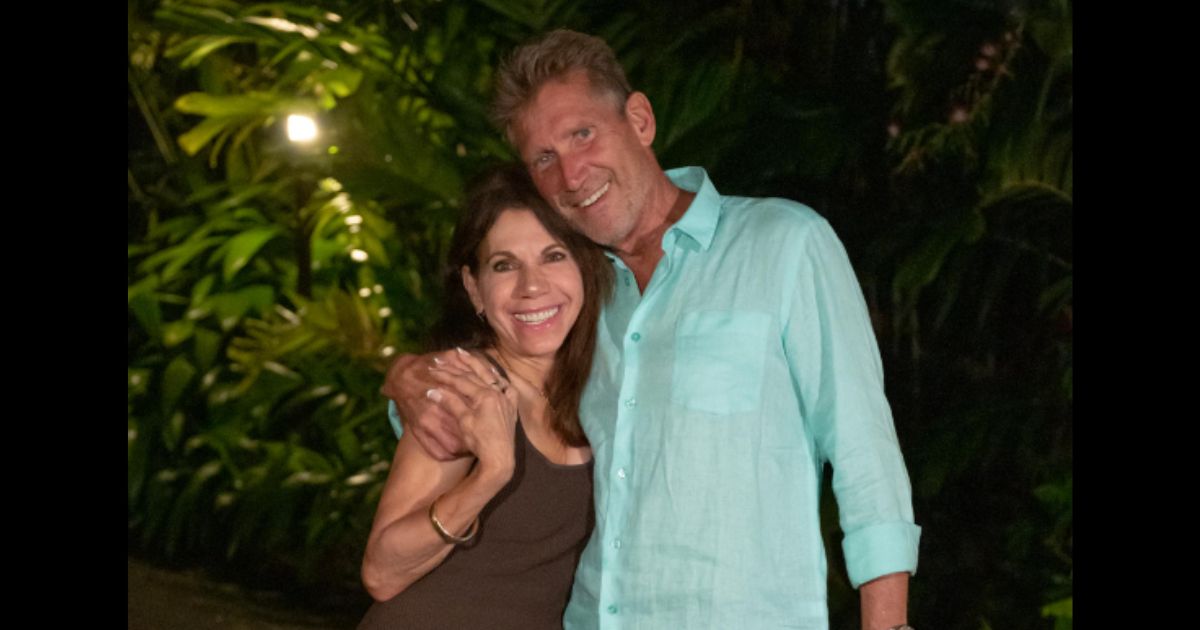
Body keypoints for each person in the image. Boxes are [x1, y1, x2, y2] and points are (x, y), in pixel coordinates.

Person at [383, 30, 921, 630]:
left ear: (639, 119)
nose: (571, 173)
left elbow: (864, 453)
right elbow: (497, 375)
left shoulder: (785, 243)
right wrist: (408, 376)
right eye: (543, 159)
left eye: (582, 134)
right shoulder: (579, 289)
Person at [359, 164, 613, 630]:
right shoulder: (465, 385)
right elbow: (381, 572)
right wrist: (490, 476)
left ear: (586, 268)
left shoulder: (606, 386)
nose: (532, 286)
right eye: (504, 265)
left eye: (554, 256)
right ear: (475, 289)